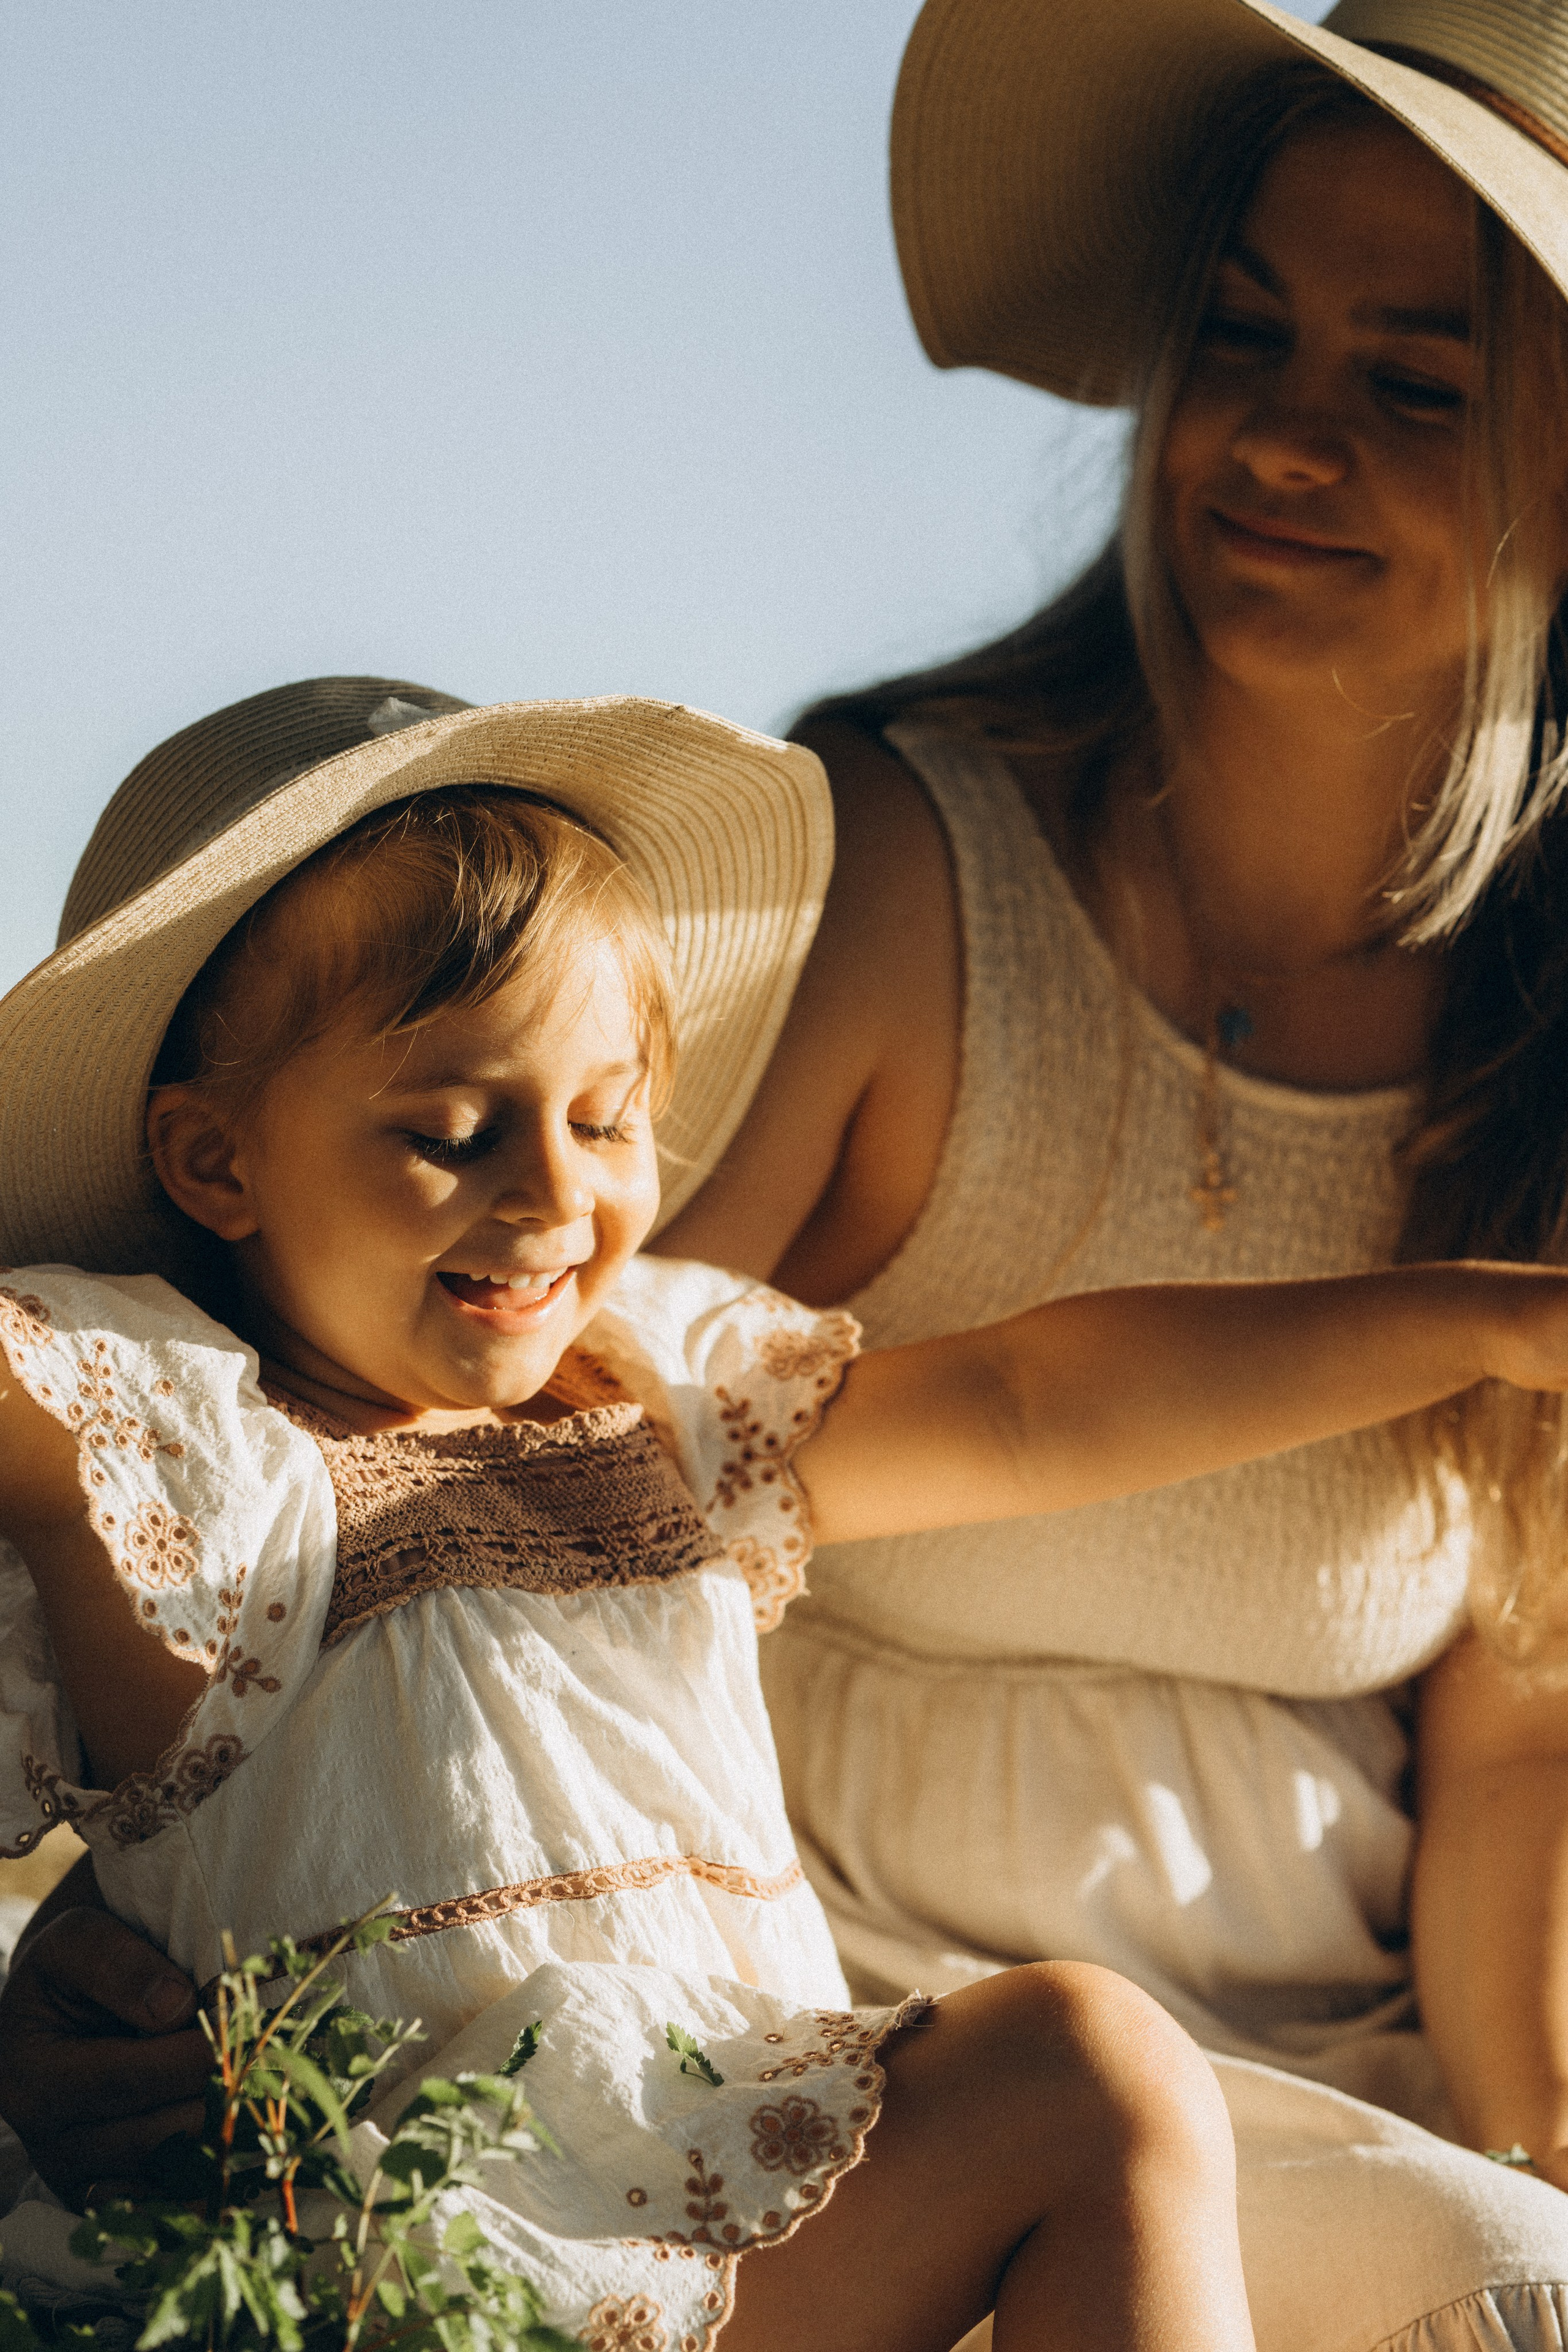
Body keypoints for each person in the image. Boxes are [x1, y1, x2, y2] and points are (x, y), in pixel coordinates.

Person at [5, 684, 1568, 2347]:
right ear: (212, 1162)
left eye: (608, 1117)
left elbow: (1027, 1405)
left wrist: (1485, 1322)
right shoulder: (170, 1444)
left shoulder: (658, 1409)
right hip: (399, 2262)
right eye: (450, 1131)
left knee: (1094, 2077)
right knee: (1087, 2067)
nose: (554, 1191)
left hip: (742, 2228)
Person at [663, 1, 1568, 2345]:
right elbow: (571, 1454)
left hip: (1330, 2078)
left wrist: (1537, 2114)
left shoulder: (1552, 1053)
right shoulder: (896, 863)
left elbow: (1517, 1720)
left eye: (1415, 382)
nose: (1279, 435)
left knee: (1514, 2274)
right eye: (1247, 333)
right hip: (815, 2021)